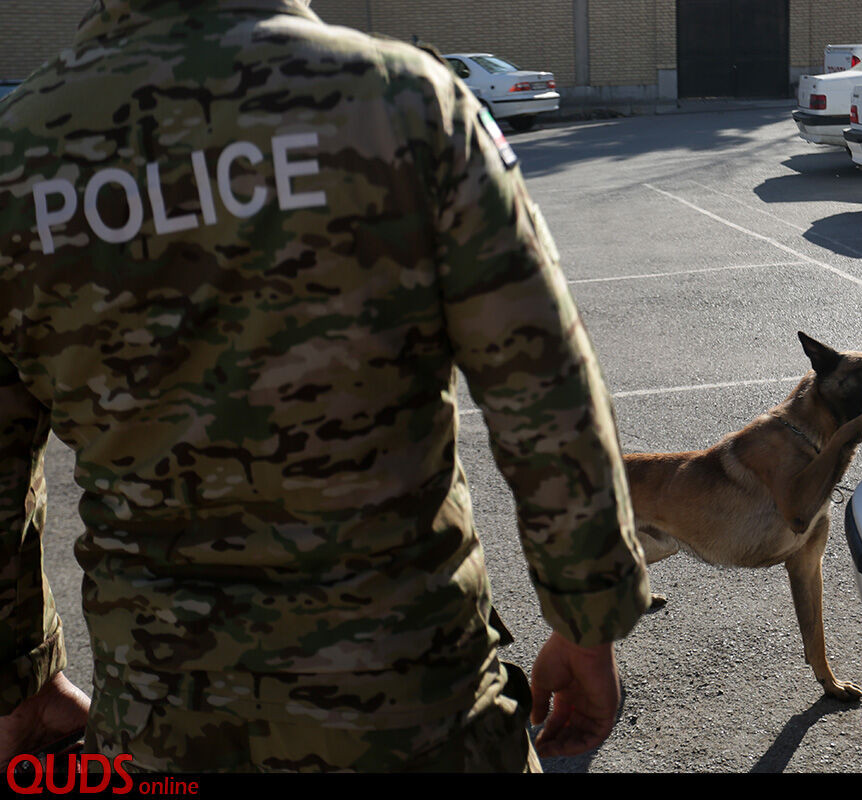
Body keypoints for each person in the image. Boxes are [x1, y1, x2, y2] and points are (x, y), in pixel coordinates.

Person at [0, 0, 649, 772]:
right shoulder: (402, 104)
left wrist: (23, 677)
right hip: (420, 711)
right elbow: (547, 394)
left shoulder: (18, 156)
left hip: (163, 726)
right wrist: (586, 623)